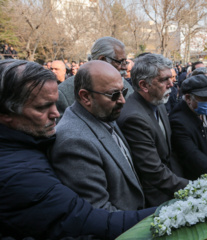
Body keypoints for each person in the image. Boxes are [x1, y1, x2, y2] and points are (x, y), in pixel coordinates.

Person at [0, 60, 154, 239]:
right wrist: (172, 213)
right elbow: (88, 222)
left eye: (54, 103)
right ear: (5, 114)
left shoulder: (103, 115)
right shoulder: (21, 173)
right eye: (42, 107)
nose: (56, 113)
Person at [51, 61, 145, 212]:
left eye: (123, 92)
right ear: (86, 96)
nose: (122, 100)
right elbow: (100, 212)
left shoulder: (103, 113)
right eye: (114, 94)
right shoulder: (74, 142)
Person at [117, 53, 189, 207]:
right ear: (144, 85)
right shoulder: (134, 118)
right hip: (154, 200)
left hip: (171, 187)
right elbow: (153, 172)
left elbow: (169, 154)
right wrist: (192, 187)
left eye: (171, 78)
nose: (171, 84)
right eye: (164, 80)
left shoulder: (159, 102)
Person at [56, 37, 134, 122]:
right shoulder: (64, 94)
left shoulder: (126, 85)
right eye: (120, 61)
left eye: (125, 62)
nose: (124, 67)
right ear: (102, 60)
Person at [169, 75, 207, 180]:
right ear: (188, 98)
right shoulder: (179, 122)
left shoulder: (206, 113)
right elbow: (192, 155)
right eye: (204, 98)